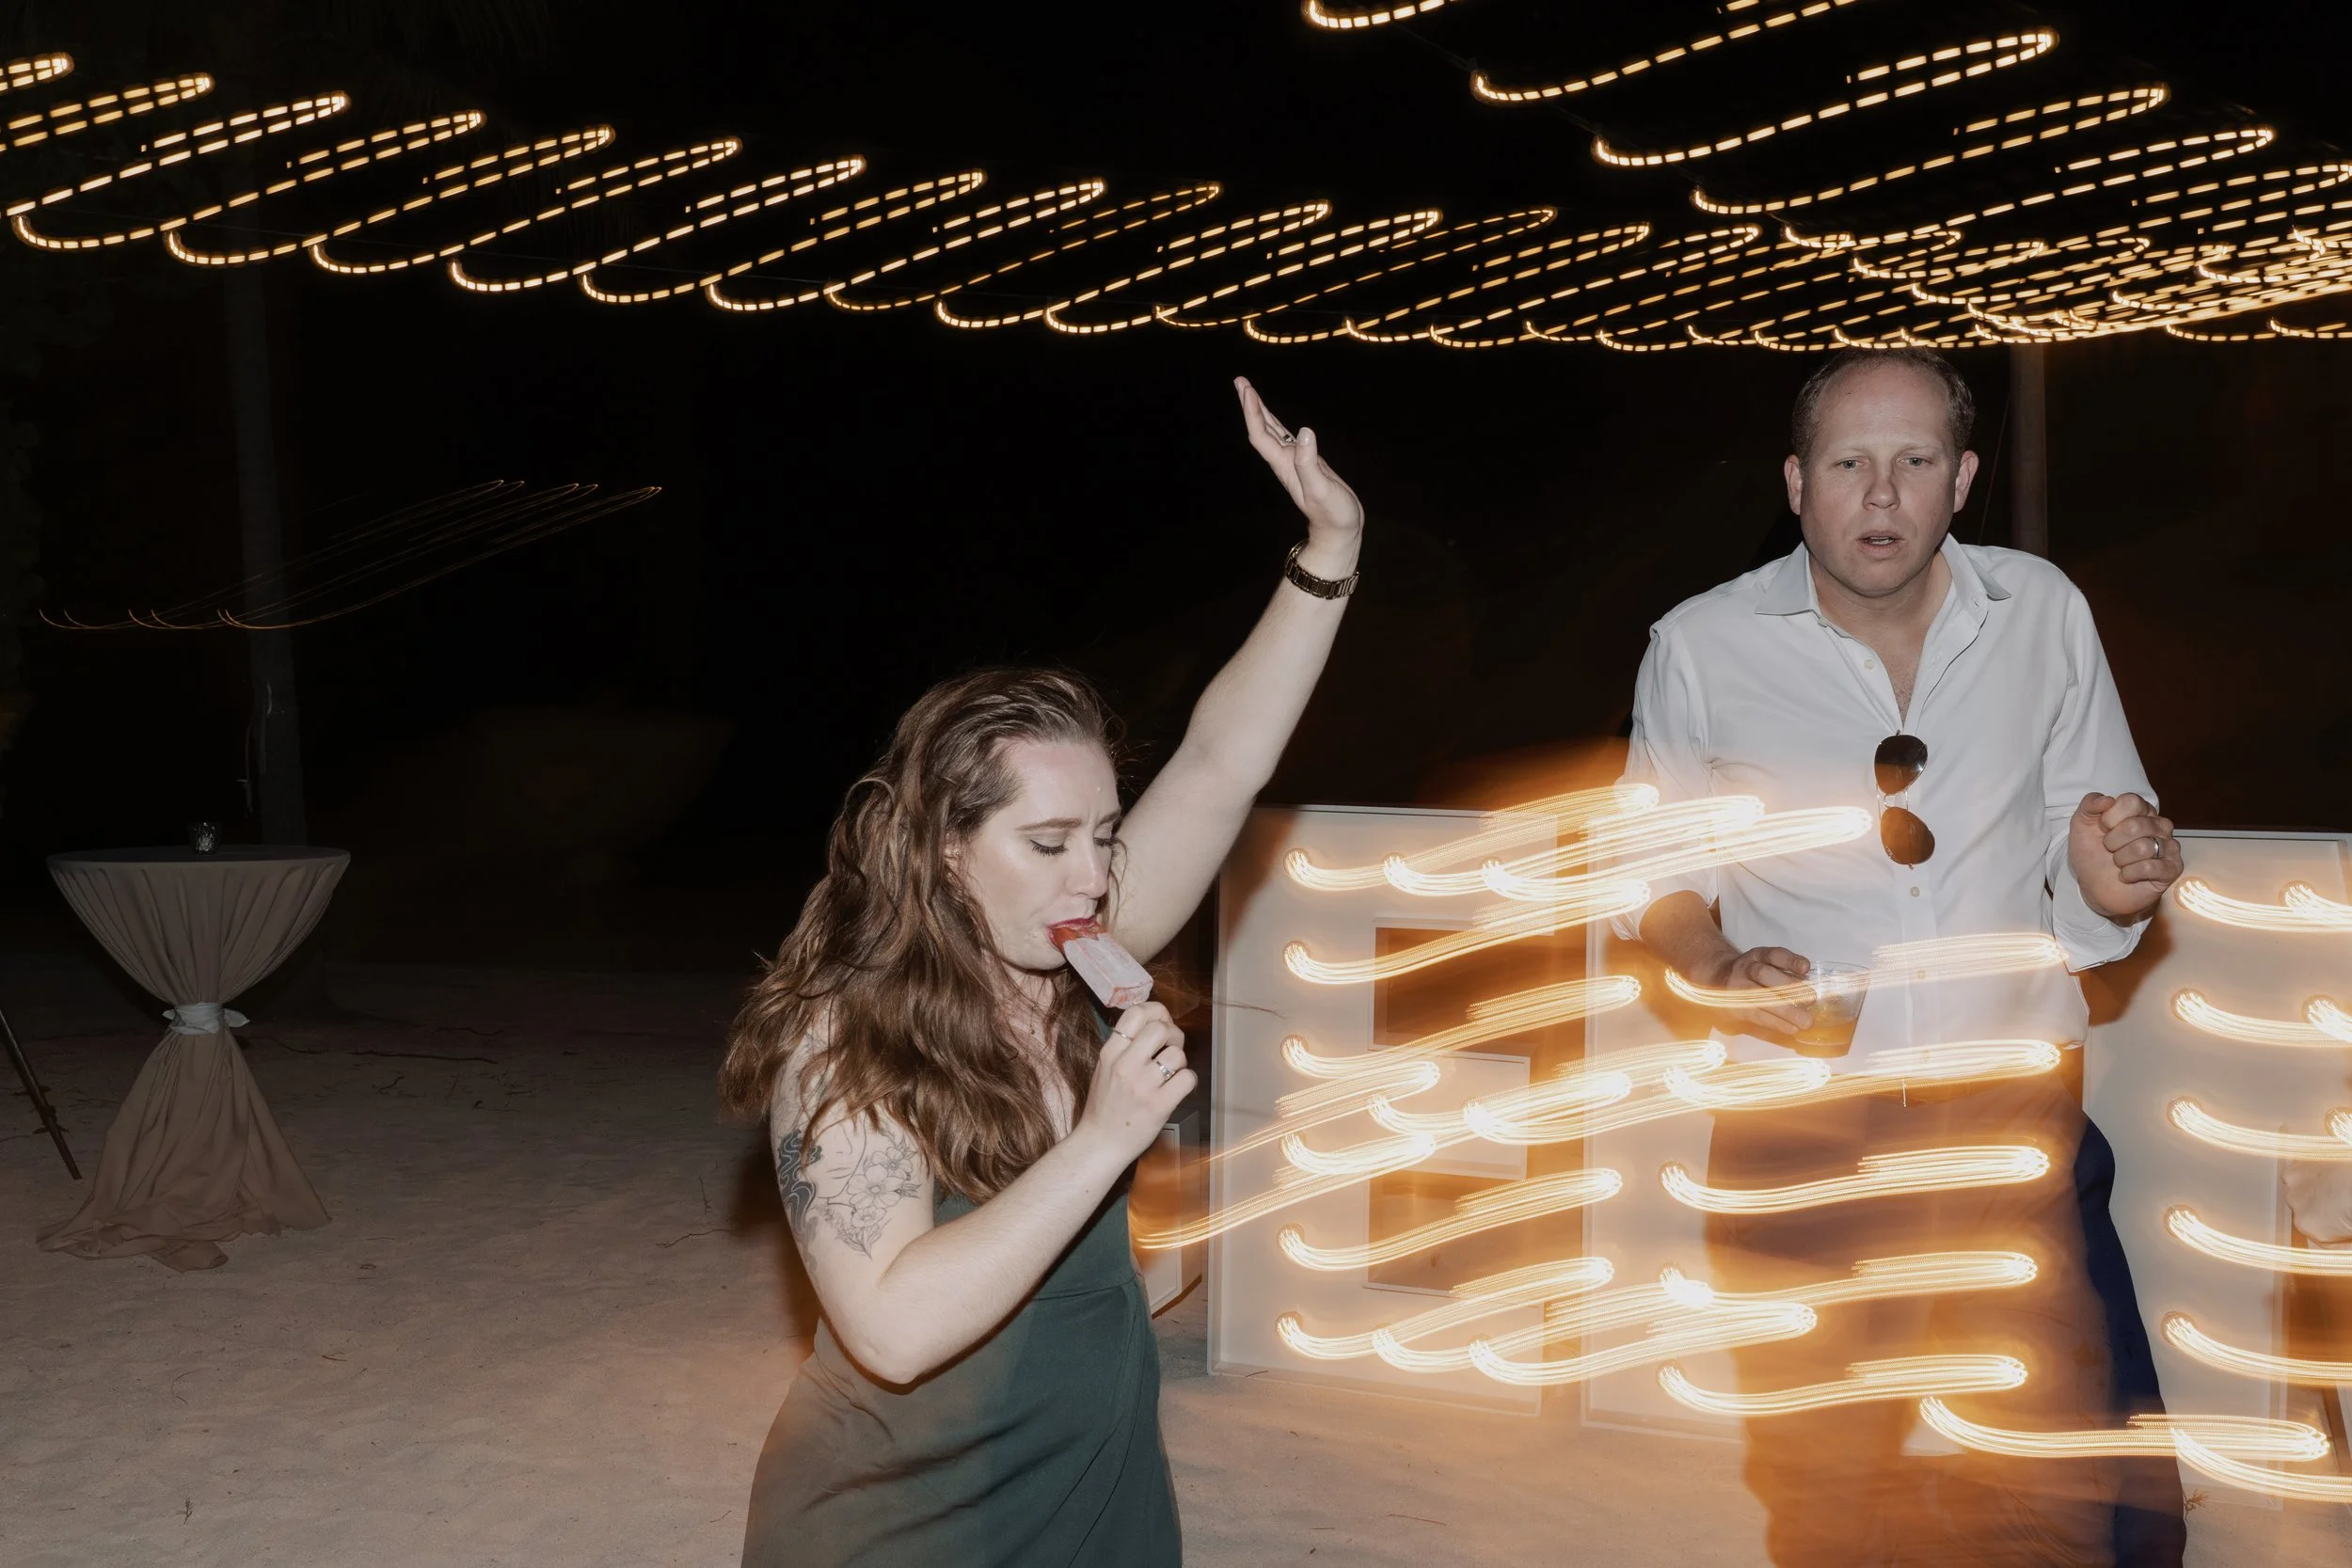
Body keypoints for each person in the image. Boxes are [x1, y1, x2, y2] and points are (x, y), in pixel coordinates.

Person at [719, 377, 1363, 1568]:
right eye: (1049, 841)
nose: (1093, 875)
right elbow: (892, 1327)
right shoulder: (846, 1034)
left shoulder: (1080, 952)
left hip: (1095, 1490)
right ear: (944, 847)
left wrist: (1329, 549)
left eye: (1105, 833)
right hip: (903, 1520)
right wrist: (1104, 1137)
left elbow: (1220, 761)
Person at [1618, 347, 2185, 1566]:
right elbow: (1654, 880)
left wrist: (2111, 883)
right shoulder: (1701, 643)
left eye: (1915, 459)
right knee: (1829, 1487)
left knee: (2070, 1481)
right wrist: (1717, 966)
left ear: (1962, 478)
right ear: (1796, 482)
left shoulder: (2043, 612)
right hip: (1802, 1125)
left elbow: (2092, 837)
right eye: (1848, 463)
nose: (1881, 493)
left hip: (2010, 1106)